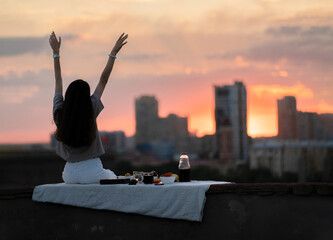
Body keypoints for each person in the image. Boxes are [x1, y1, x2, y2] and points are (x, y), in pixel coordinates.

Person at [49, 31, 128, 184]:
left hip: (69, 174)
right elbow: (103, 80)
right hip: (92, 171)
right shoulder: (90, 110)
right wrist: (113, 53)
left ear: (68, 95)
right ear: (86, 98)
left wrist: (55, 53)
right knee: (114, 177)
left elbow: (58, 80)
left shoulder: (59, 113)